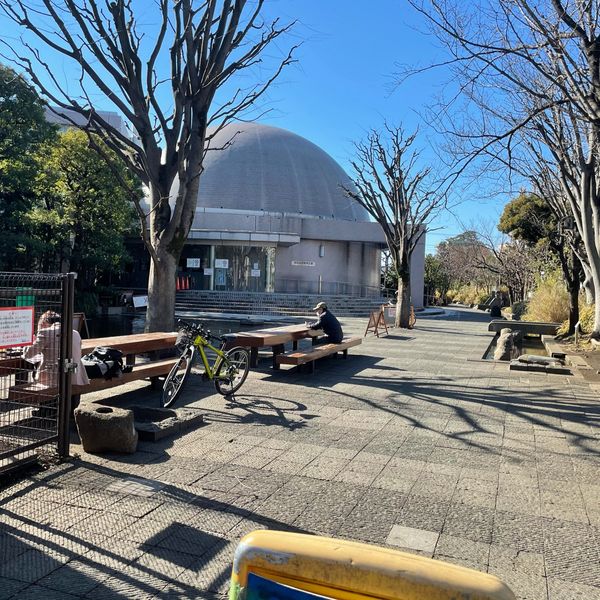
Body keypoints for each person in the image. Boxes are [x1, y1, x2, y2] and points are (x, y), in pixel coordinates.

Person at [24, 310, 89, 388]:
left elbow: (28, 355)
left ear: (44, 323)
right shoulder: (75, 333)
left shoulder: (45, 332)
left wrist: (26, 345)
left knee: (36, 372)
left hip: (54, 378)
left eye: (40, 324)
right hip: (73, 375)